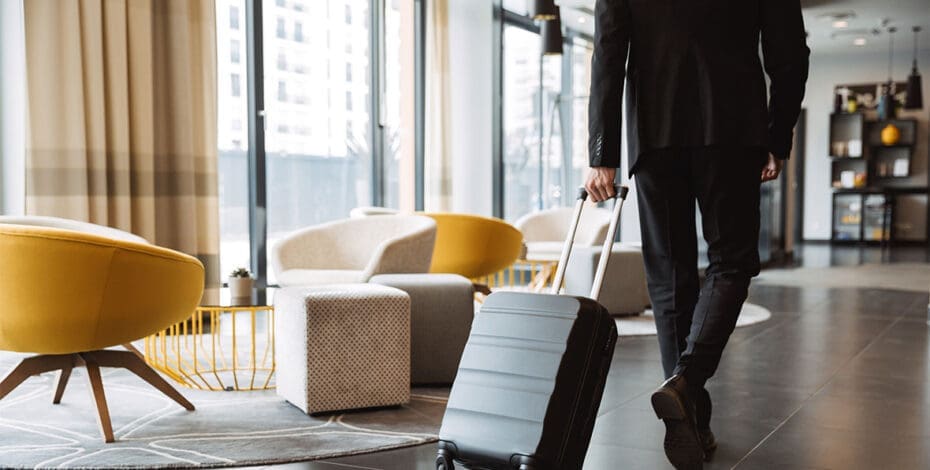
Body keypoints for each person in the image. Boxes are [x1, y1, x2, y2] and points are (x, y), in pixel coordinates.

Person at [584, 1, 810, 469]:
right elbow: (790, 53)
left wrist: (602, 153)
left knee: (670, 276)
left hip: (654, 129)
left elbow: (609, 49)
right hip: (733, 127)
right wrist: (777, 134)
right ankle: (686, 382)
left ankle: (693, 418)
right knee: (732, 262)